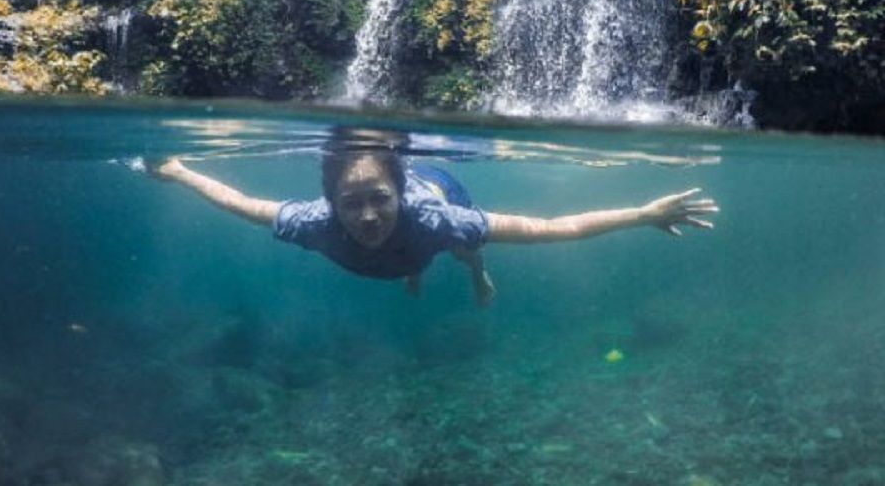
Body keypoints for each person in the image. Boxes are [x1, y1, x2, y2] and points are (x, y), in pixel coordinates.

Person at [153, 129, 718, 306]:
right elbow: (240, 203)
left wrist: (643, 214)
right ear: (331, 203)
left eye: (379, 197)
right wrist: (179, 172)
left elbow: (553, 229)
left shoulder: (432, 219)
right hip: (414, 239)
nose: (368, 215)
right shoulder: (315, 221)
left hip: (441, 195)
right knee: (416, 254)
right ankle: (414, 270)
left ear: (397, 189)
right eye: (352, 203)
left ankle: (469, 270)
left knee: (465, 244)